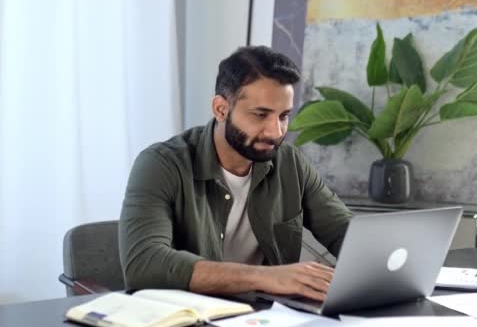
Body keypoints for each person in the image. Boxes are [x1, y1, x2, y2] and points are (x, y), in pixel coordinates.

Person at [119, 46, 353, 301]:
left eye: (283, 116)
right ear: (221, 109)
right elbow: (144, 263)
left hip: (265, 319)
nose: (275, 132)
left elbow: (347, 234)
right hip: (189, 319)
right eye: (260, 114)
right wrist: (266, 277)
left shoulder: (290, 163)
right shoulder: (161, 165)